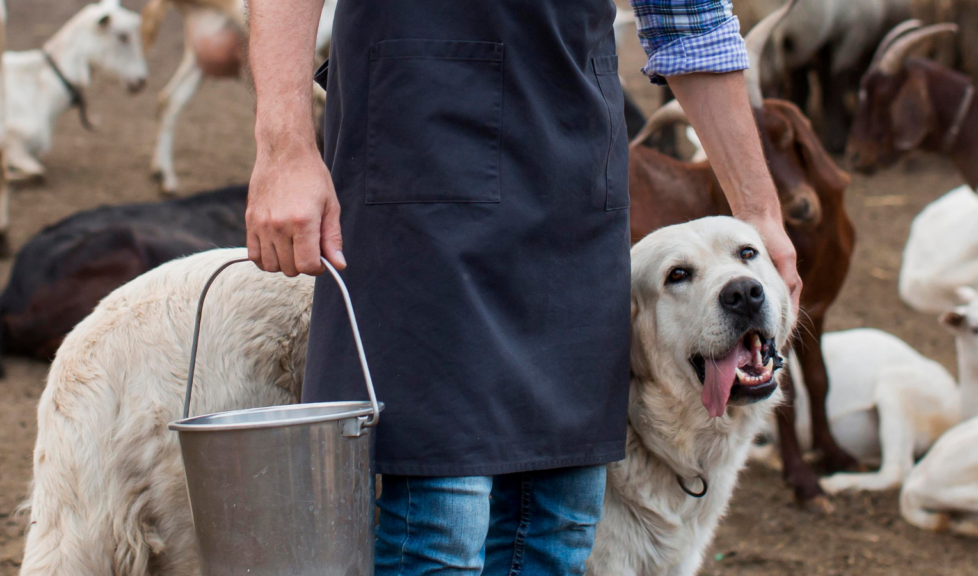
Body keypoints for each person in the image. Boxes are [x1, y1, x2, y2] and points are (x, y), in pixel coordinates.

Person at [245, 0, 802, 573]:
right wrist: (284, 146)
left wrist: (758, 210)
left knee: (556, 524)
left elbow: (688, 17)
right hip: (415, 149)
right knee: (444, 521)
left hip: (573, 169)